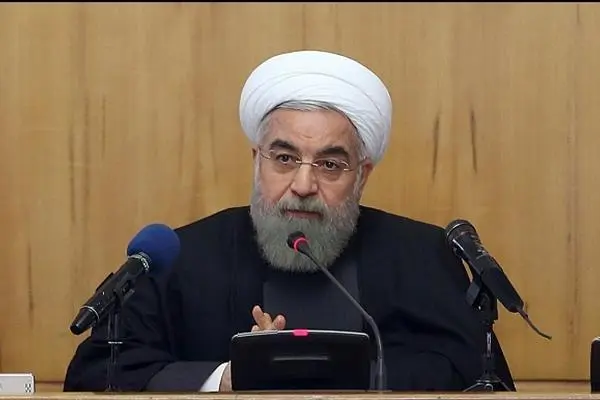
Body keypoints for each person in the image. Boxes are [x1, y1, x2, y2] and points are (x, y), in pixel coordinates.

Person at [63, 50, 515, 392]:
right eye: (283, 158)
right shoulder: (184, 258)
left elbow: (480, 376)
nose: (302, 184)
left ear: (362, 175)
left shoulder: (419, 256)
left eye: (330, 164)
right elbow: (96, 372)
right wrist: (226, 379)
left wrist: (327, 372)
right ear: (256, 160)